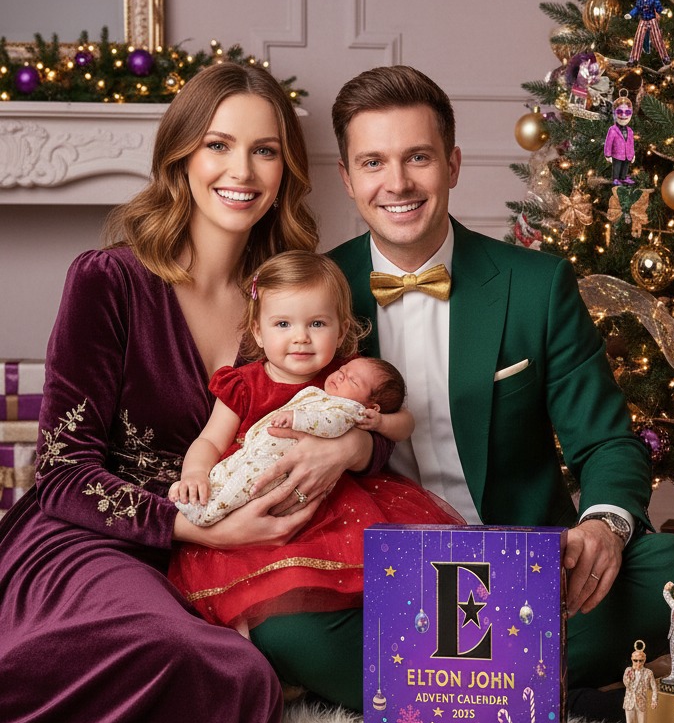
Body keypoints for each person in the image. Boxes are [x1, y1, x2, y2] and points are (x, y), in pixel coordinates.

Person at [0, 63, 369, 723]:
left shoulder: (294, 292)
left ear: (285, 170)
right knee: (194, 661)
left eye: (265, 150)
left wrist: (356, 445)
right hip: (94, 537)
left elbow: (353, 400)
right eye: (218, 146)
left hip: (235, 546)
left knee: (247, 682)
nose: (241, 170)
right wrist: (196, 530)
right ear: (180, 159)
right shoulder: (109, 281)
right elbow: (63, 470)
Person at [323, 65, 674, 700]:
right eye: (373, 162)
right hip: (384, 577)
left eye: (418, 157)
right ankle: (526, 681)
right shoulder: (318, 292)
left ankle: (426, 681)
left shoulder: (536, 285)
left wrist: (603, 528)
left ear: (452, 164)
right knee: (287, 630)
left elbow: (606, 443)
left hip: (529, 573)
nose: (397, 183)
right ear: (347, 178)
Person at [167, 251, 460, 634]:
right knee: (268, 599)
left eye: (317, 323)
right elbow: (209, 439)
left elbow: (405, 421)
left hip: (336, 505)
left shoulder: (346, 378)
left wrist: (379, 421)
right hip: (258, 497)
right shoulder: (244, 384)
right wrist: (195, 474)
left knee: (391, 585)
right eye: (283, 323)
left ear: (341, 332)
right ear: (258, 331)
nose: (301, 337)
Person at [622, 641, 659, 723]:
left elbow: (654, 687)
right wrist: (629, 677)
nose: (638, 663)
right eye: (635, 660)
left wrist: (654, 700)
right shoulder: (628, 670)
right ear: (632, 660)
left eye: (640, 661)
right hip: (629, 702)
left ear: (644, 660)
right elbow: (625, 683)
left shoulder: (648, 673)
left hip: (641, 702)